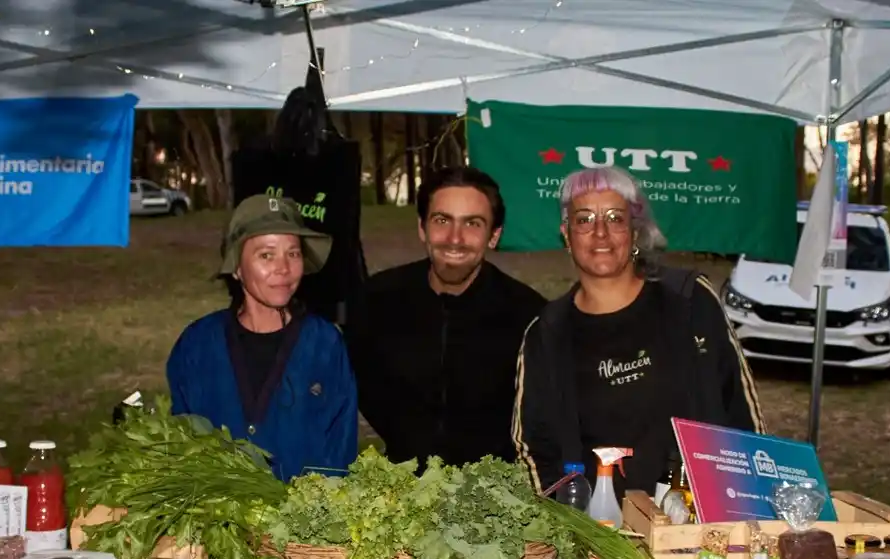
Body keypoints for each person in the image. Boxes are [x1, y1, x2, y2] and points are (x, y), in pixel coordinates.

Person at [512, 166, 764, 494]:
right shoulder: (546, 332)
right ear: (566, 234)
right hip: (599, 532)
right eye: (584, 219)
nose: (600, 232)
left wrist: (749, 502)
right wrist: (568, 523)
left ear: (634, 231)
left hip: (697, 524)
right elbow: (533, 446)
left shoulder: (689, 300)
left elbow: (742, 412)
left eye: (615, 218)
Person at [346, 167, 546, 467]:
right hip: (401, 484)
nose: (455, 239)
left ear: (494, 236)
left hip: (496, 491)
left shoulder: (529, 315)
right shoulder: (377, 300)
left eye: (472, 224)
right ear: (422, 228)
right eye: (442, 220)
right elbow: (364, 386)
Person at [166, 195, 358, 481]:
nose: (283, 268)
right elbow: (180, 448)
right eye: (266, 255)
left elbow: (340, 454)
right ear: (237, 267)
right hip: (217, 521)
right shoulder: (197, 347)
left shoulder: (325, 346)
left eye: (293, 253)